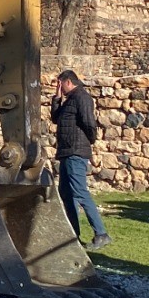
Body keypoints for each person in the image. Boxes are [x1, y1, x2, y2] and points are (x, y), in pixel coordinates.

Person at [51, 69, 111, 249]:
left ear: (68, 82)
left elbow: (89, 123)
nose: (59, 87)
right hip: (66, 152)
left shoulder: (82, 98)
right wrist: (56, 98)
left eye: (60, 84)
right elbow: (55, 118)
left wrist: (89, 142)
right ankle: (73, 236)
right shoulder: (69, 100)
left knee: (80, 192)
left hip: (76, 152)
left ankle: (101, 233)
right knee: (66, 193)